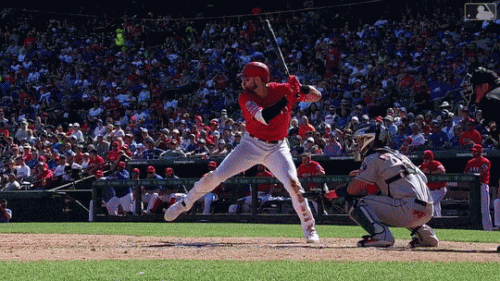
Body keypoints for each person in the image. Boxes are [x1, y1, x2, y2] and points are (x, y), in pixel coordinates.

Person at [164, 61, 322, 243]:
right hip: (251, 145)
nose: (243, 82)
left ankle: (310, 228)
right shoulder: (245, 97)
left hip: (278, 147)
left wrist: (301, 87)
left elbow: (316, 96)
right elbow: (264, 117)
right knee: (216, 176)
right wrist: (288, 98)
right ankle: (185, 203)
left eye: (246, 78)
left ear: (257, 79)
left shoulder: (282, 89)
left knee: (294, 185)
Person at [325, 123, 438, 248]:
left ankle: (382, 236)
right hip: (428, 209)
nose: (357, 144)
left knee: (357, 203)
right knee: (394, 197)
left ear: (370, 139)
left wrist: (333, 194)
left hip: (408, 208)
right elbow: (424, 178)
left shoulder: (373, 157)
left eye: (360, 140)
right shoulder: (401, 156)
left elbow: (352, 189)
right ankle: (427, 237)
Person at [464, 144, 493, 231]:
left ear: (479, 152)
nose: (473, 152)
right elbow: (465, 173)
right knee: (474, 208)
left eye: (475, 151)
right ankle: (475, 227)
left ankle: (487, 229)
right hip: (473, 187)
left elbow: (483, 173)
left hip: (482, 186)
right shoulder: (470, 162)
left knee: (484, 209)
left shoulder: (485, 161)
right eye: (473, 150)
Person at [419, 150, 447, 217]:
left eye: (427, 158)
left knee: (430, 205)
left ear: (431, 158)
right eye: (424, 158)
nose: (425, 160)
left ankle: (434, 220)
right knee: (436, 206)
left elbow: (442, 171)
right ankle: (439, 219)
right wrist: (422, 171)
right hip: (430, 190)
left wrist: (431, 172)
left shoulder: (436, 163)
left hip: (439, 189)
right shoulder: (423, 165)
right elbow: (417, 170)